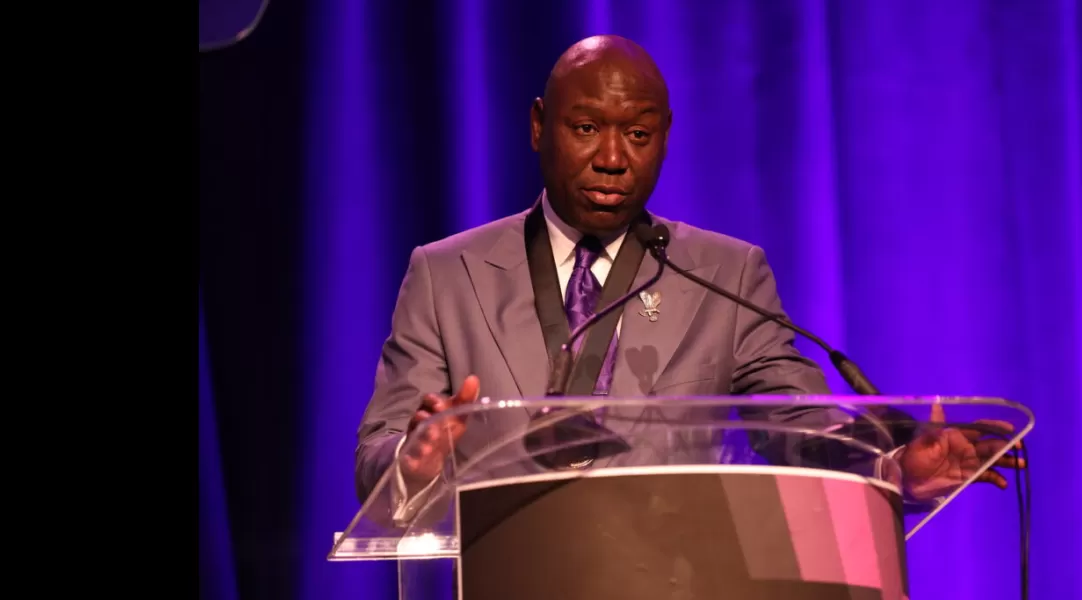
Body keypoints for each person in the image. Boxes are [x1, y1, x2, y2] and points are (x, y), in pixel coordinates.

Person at [354, 35, 1023, 520]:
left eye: (638, 135)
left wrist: (896, 465)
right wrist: (413, 463)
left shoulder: (726, 274)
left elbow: (799, 426)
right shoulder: (446, 274)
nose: (613, 158)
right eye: (586, 128)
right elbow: (377, 459)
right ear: (538, 126)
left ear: (666, 135)